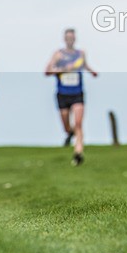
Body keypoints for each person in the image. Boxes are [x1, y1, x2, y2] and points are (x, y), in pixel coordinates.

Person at [45, 28, 97, 166]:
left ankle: (78, 152)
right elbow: (48, 71)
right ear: (64, 39)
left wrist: (92, 72)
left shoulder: (80, 54)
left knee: (79, 124)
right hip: (63, 94)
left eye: (72, 37)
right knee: (67, 126)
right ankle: (69, 133)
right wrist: (63, 69)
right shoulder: (58, 55)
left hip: (77, 93)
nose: (70, 40)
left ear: (75, 39)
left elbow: (84, 65)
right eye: (68, 37)